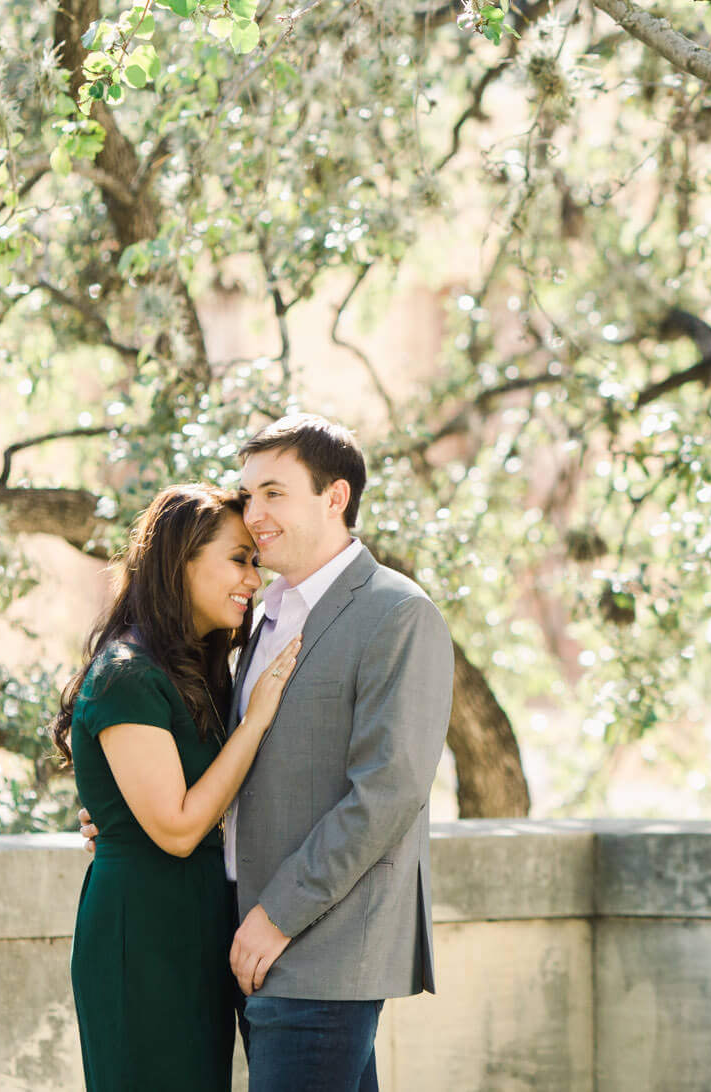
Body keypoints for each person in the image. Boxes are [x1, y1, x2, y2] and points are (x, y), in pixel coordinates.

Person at [223, 413, 454, 1092]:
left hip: (320, 939)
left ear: (335, 497)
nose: (252, 513)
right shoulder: (260, 612)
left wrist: (278, 913)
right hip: (249, 936)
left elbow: (388, 789)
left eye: (273, 493)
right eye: (246, 495)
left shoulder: (397, 613)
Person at [54, 484, 303, 1092]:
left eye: (256, 560)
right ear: (180, 561)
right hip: (141, 933)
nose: (254, 577)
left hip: (195, 927)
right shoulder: (126, 673)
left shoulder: (196, 669)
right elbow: (179, 828)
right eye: (239, 558)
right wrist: (258, 718)